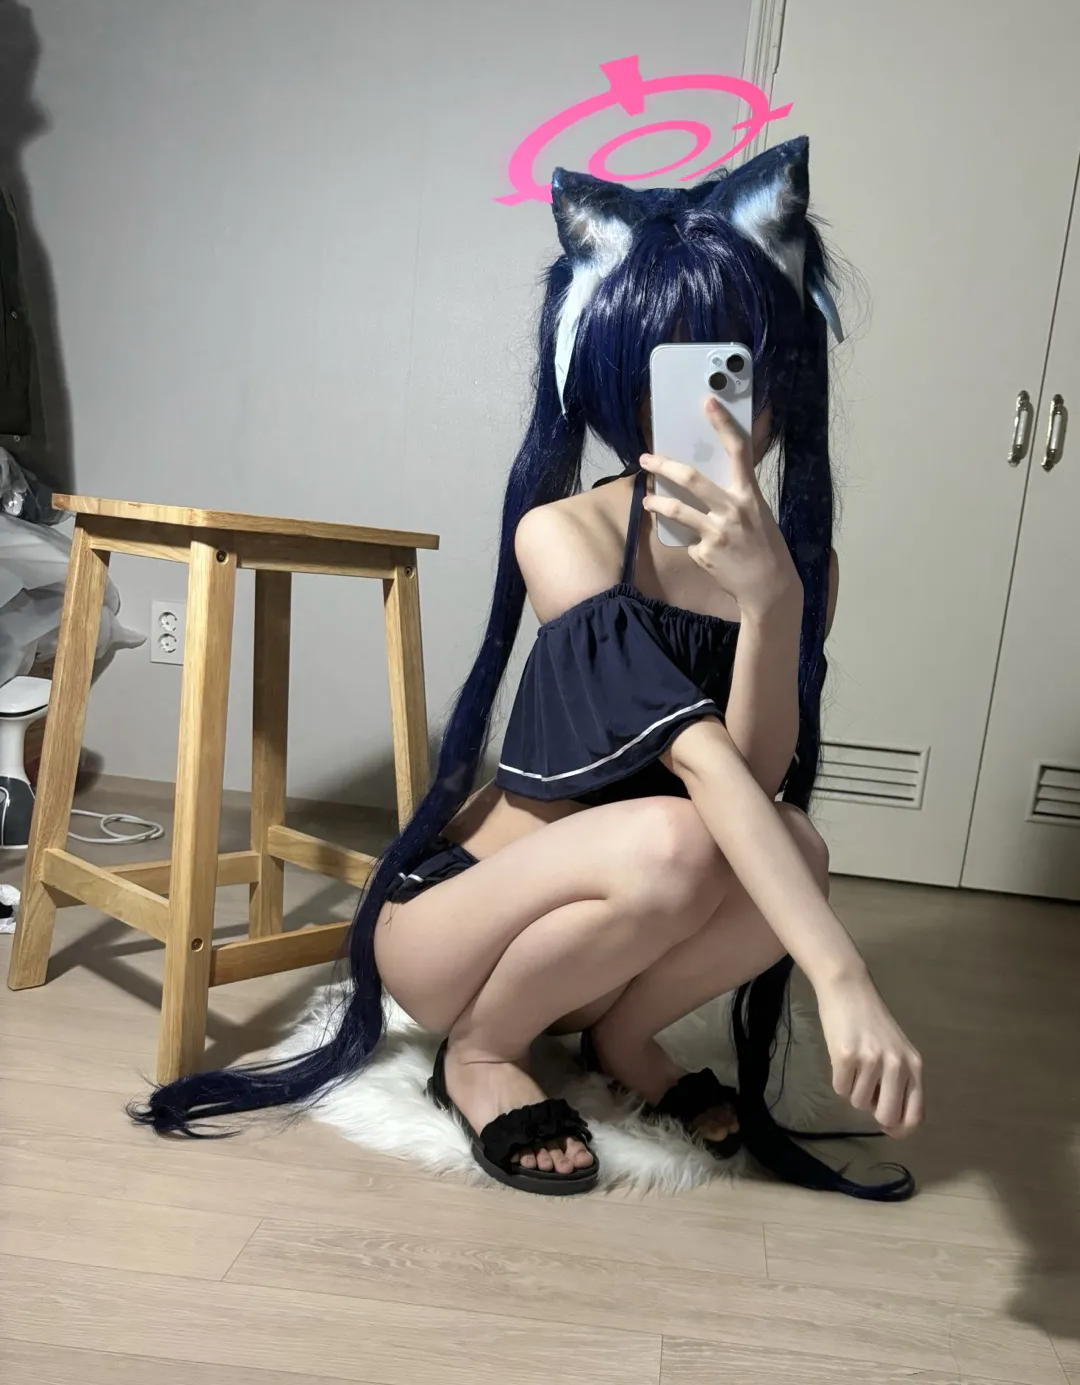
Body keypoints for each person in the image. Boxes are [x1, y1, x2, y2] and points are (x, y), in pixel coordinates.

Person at [134, 136, 923, 1200]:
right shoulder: (565, 535)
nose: (719, 411)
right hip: (460, 928)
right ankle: (481, 1053)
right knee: (682, 836)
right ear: (614, 379)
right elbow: (701, 769)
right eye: (679, 374)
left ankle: (620, 1040)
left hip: (613, 935)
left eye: (742, 371)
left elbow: (756, 775)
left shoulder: (798, 571)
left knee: (795, 846)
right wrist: (839, 971)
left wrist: (771, 600)